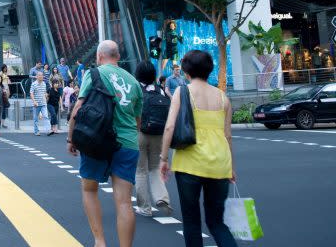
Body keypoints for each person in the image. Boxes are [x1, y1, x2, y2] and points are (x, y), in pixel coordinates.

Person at [67, 40, 143, 247]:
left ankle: (100, 241)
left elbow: (78, 107)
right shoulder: (134, 82)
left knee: (89, 189)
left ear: (99, 57)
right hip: (127, 143)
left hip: (96, 140)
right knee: (125, 202)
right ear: (118, 57)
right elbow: (138, 121)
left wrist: (71, 138)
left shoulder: (94, 74)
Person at [160, 50, 237, 247]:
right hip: (220, 164)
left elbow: (169, 126)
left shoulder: (182, 91)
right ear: (209, 70)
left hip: (189, 164)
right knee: (217, 222)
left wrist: (163, 159)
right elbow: (228, 135)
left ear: (186, 71)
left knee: (192, 221)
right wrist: (231, 167)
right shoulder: (223, 98)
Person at [134, 61, 171, 218]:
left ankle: (145, 207)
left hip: (140, 132)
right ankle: (162, 198)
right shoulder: (160, 90)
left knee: (141, 170)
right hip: (159, 133)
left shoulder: (136, 89)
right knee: (155, 168)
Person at [30, 71, 49, 136]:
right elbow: (31, 93)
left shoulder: (44, 83)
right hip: (36, 104)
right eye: (40, 75)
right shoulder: (34, 84)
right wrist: (34, 101)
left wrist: (46, 96)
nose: (41, 76)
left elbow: (44, 92)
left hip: (43, 103)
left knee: (46, 116)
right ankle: (36, 131)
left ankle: (48, 130)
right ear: (37, 76)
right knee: (35, 119)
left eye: (42, 75)